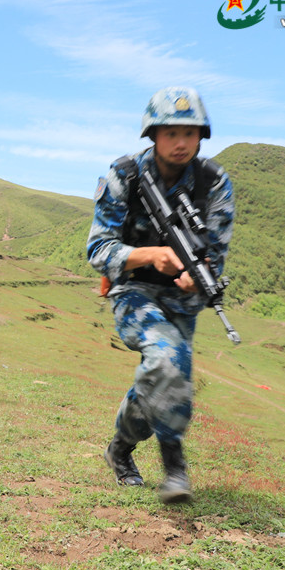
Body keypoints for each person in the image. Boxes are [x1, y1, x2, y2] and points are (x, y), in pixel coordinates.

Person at [86, 86, 235, 504]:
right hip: (133, 289)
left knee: (162, 376)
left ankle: (119, 449)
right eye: (171, 133)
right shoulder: (126, 175)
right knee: (168, 360)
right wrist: (151, 255)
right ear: (152, 135)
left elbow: (216, 255)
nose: (182, 143)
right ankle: (175, 467)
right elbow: (97, 250)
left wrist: (198, 276)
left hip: (183, 300)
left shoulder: (214, 183)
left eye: (191, 134)